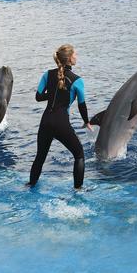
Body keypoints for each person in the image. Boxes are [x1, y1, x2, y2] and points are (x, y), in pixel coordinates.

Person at [27, 44, 93, 189]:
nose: (76, 57)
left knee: (40, 156)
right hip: (61, 122)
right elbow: (82, 105)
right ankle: (78, 191)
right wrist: (86, 122)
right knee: (79, 155)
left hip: (45, 121)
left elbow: (38, 97)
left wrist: (51, 94)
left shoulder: (47, 74)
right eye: (75, 54)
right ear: (69, 58)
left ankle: (30, 185)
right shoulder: (77, 81)